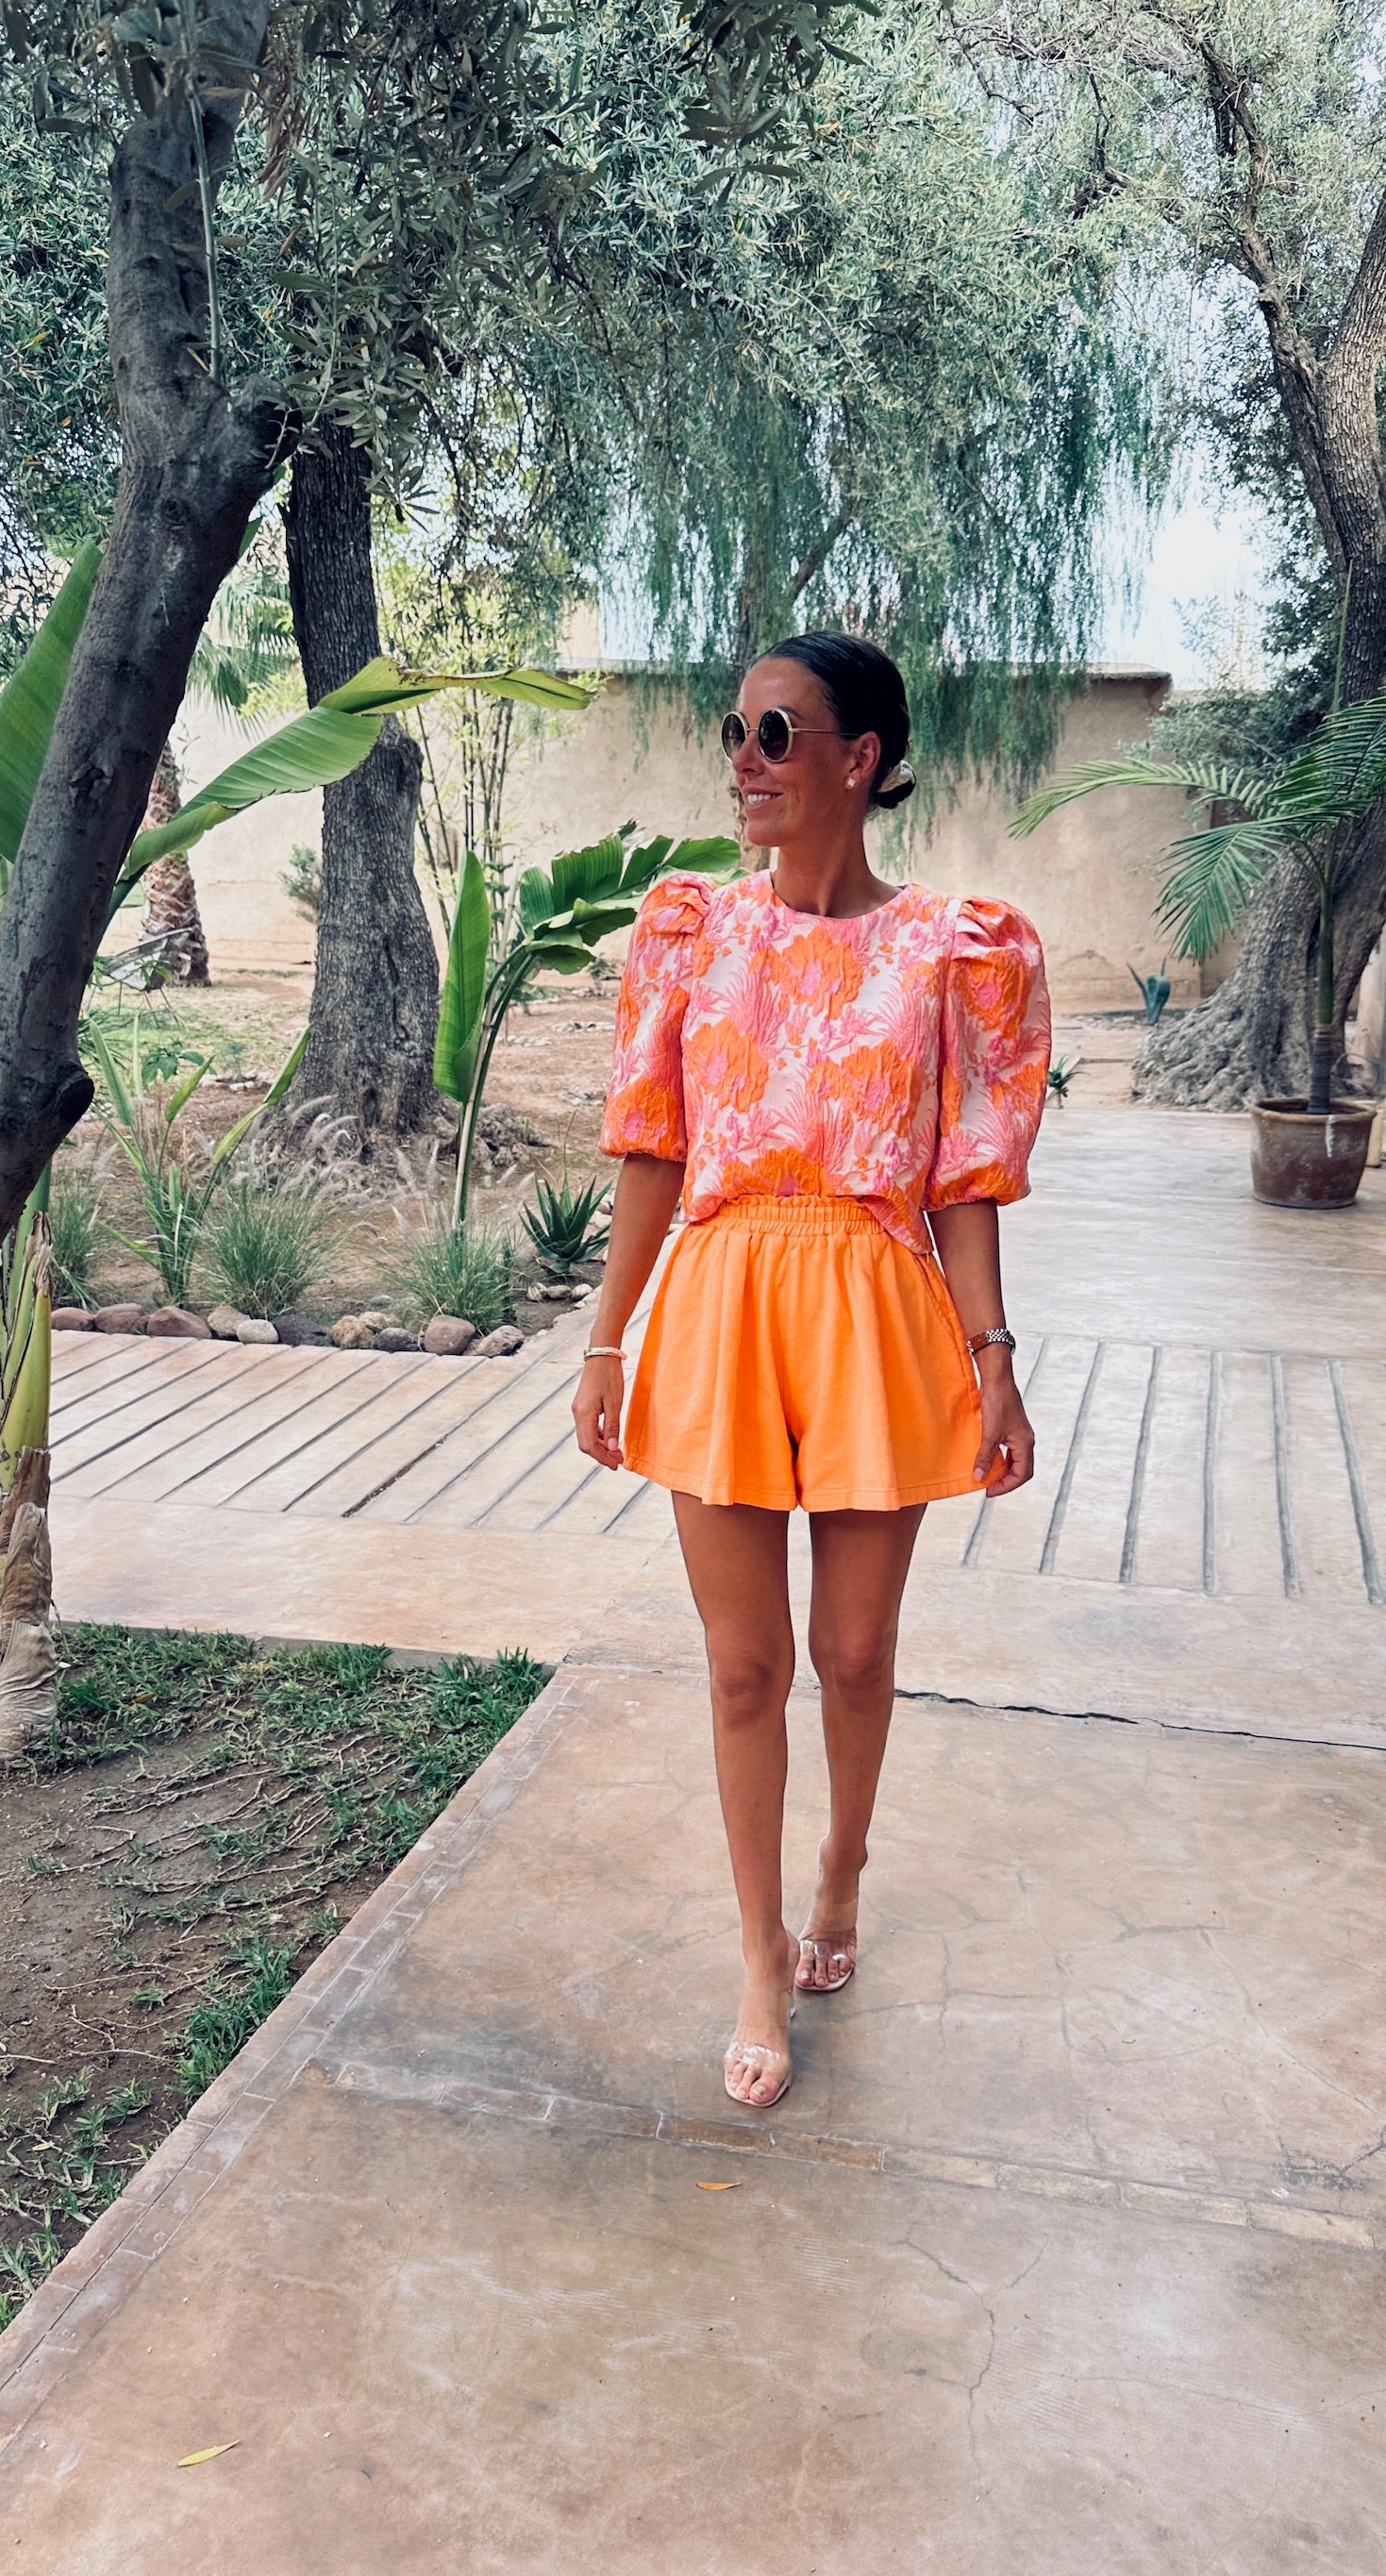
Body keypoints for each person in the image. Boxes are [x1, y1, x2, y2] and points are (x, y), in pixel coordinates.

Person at [572, 632, 1050, 2110]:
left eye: (776, 732)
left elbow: (963, 1176)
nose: (745, 758)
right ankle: (757, 1956)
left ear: (861, 757)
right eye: (734, 731)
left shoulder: (948, 949)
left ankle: (840, 1868)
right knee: (742, 1666)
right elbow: (653, 1148)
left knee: (850, 1650)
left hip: (873, 1306)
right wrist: (606, 1336)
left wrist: (994, 1358)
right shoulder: (694, 931)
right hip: (722, 1302)